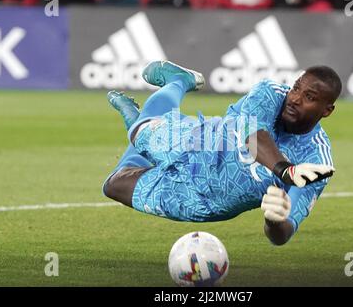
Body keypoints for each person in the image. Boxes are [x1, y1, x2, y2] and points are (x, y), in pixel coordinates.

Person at [103, 61, 339, 245]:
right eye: (296, 87)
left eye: (309, 98)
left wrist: (274, 221)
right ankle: (178, 81)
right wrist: (285, 171)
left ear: (327, 110)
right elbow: (254, 137)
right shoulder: (270, 93)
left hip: (205, 201)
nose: (295, 98)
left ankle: (140, 120)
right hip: (196, 142)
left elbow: (282, 234)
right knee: (139, 133)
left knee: (113, 185)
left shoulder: (317, 161)